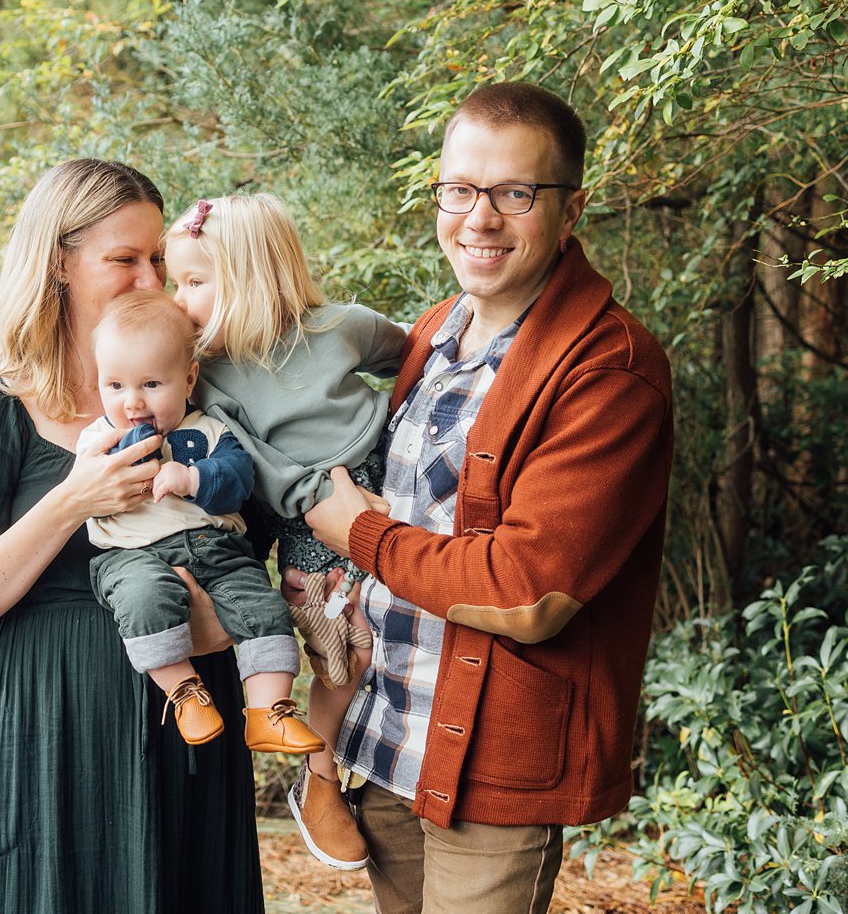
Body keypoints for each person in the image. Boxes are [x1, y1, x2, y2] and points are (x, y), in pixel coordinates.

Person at [305, 82, 674, 914]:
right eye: (460, 190)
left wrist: (359, 534)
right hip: (392, 737)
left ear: (571, 209)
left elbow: (527, 590)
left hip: (492, 767)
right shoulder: (436, 331)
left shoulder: (609, 370)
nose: (479, 218)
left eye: (515, 193)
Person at [0, 159, 265, 914]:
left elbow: (248, 558)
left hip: (182, 730)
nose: (151, 282)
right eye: (124, 260)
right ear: (60, 264)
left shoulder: (200, 399)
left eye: (159, 262)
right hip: (40, 732)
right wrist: (74, 500)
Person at [163, 192, 408, 871]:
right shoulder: (210, 380)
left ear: (251, 276)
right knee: (345, 655)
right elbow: (259, 465)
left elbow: (415, 357)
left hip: (398, 485)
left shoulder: (341, 328)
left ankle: (392, 765)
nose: (178, 300)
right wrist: (331, 504)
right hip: (317, 521)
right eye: (173, 282)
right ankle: (321, 779)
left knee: (415, 633)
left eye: (194, 281)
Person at [79, 289, 323, 754]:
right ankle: (183, 691)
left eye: (151, 385)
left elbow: (238, 479)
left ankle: (269, 711)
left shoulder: (211, 430)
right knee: (144, 599)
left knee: (261, 605)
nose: (133, 403)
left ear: (189, 379)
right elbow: (85, 499)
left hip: (218, 550)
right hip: (132, 556)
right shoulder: (97, 443)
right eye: (115, 386)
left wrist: (192, 476)